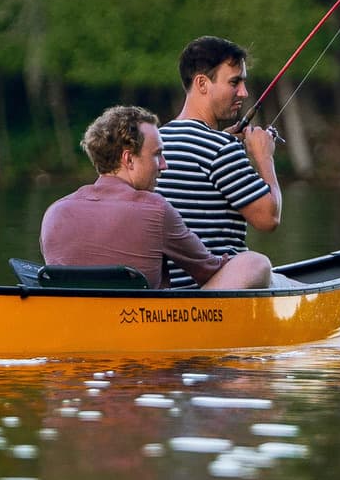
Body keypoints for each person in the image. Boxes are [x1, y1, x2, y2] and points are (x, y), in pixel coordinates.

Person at [41, 106, 272, 291]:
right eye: (157, 155)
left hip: (75, 325)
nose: (164, 165)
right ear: (128, 159)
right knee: (255, 263)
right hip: (142, 329)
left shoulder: (54, 212)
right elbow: (209, 270)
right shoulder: (154, 209)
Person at [153, 35, 283, 288]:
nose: (243, 93)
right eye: (235, 82)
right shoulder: (221, 148)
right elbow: (268, 219)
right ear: (202, 83)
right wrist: (264, 157)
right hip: (215, 299)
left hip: (167, 295)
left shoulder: (154, 141)